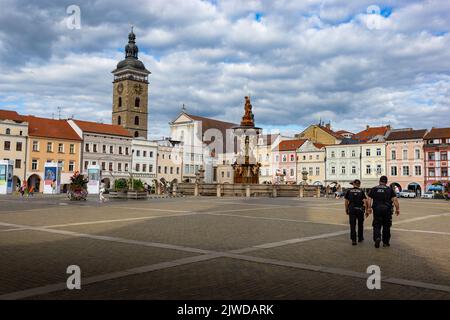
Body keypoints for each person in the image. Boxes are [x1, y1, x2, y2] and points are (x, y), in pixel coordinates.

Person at [367, 176, 400, 248]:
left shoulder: (374, 189)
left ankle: (377, 238)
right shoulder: (390, 189)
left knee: (376, 225)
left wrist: (369, 208)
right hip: (387, 210)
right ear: (386, 182)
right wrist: (397, 209)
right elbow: (395, 200)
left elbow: (369, 199)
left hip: (377, 209)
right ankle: (385, 242)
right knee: (386, 226)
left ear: (379, 181)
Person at [344, 179, 367, 245]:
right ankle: (360, 238)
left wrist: (346, 209)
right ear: (359, 184)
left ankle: (353, 240)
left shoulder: (349, 191)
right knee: (360, 224)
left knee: (352, 225)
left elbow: (346, 202)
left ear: (353, 184)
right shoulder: (361, 191)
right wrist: (367, 209)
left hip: (352, 209)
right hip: (360, 209)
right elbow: (365, 201)